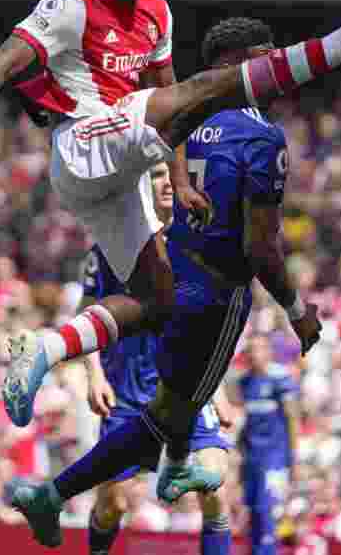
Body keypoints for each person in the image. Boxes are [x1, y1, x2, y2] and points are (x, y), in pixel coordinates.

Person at [0, 0, 341, 485]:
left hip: (117, 170)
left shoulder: (156, 12)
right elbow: (1, 62)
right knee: (206, 91)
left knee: (160, 300)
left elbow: (168, 91)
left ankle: (43, 351)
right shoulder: (70, 2)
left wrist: (176, 178)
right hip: (84, 143)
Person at [8, 17, 326, 548]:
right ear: (234, 65)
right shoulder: (262, 137)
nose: (278, 70)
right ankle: (67, 488)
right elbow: (261, 248)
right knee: (173, 431)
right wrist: (297, 310)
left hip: (171, 271)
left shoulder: (174, 115)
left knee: (173, 430)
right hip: (217, 294)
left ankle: (60, 484)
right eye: (266, 57)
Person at [81, 162, 236, 555]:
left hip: (186, 390)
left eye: (171, 174)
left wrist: (217, 389)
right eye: (154, 175)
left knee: (213, 485)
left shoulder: (201, 246)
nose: (167, 183)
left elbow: (212, 329)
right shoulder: (112, 248)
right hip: (128, 394)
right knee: (113, 504)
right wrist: (93, 374)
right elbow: (87, 318)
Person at [231, 334, 300, 555]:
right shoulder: (244, 382)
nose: (254, 353)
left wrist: (293, 457)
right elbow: (244, 422)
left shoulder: (281, 379)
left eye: (260, 348)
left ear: (269, 352)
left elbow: (292, 418)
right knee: (253, 511)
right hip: (251, 458)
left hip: (274, 457)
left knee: (269, 510)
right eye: (251, 349)